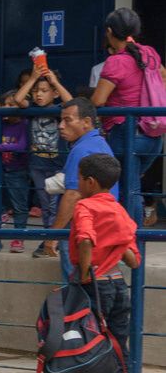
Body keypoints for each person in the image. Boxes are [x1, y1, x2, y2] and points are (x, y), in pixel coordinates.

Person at [40, 153, 141, 373]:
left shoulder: (85, 206)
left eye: (80, 179)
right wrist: (112, 247)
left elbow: (85, 239)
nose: (78, 184)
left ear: (91, 182)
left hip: (91, 287)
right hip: (117, 285)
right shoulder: (119, 211)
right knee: (119, 356)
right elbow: (133, 260)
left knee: (74, 350)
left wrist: (84, 274)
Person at [90, 7, 165, 221]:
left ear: (110, 31)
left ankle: (132, 236)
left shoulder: (116, 61)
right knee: (132, 186)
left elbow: (98, 100)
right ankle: (131, 234)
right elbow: (163, 77)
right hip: (152, 136)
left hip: (126, 134)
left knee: (128, 190)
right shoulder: (149, 53)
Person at [51, 97, 118, 275]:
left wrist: (53, 236)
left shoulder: (81, 149)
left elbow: (73, 195)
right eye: (61, 120)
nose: (61, 126)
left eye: (67, 120)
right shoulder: (100, 143)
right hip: (103, 227)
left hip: (83, 227)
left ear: (87, 122)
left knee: (77, 283)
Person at [12, 70, 65, 257]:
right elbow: (18, 99)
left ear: (54, 93)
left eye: (44, 90)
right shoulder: (31, 109)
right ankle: (49, 239)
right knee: (45, 206)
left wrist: (55, 82)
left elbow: (71, 102)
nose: (39, 95)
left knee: (55, 206)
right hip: (37, 165)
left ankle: (53, 240)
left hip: (57, 166)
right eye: (35, 91)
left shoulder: (60, 110)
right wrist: (33, 78)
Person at [0, 92, 31, 251]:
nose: (6, 108)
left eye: (11, 105)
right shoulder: (1, 122)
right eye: (4, 104)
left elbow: (21, 146)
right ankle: (2, 212)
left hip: (18, 170)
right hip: (1, 169)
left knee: (19, 205)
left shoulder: (24, 124)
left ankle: (19, 238)